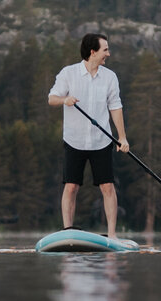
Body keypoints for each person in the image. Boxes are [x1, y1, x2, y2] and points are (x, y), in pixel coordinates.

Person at [48, 32, 130, 236]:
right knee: (71, 186)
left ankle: (111, 234)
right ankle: (67, 231)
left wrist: (122, 138)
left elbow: (116, 107)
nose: (108, 54)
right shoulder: (68, 73)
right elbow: (52, 98)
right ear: (92, 52)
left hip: (101, 141)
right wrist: (64, 100)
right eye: (105, 50)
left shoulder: (110, 77)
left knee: (108, 187)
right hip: (74, 140)